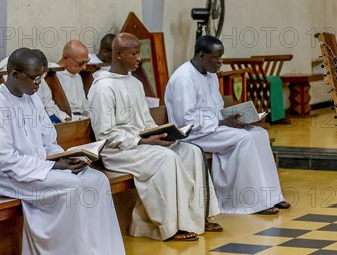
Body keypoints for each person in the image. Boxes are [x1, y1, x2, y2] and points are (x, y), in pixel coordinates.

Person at [0, 48, 126, 255]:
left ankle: (98, 254)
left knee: (97, 180)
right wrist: (53, 166)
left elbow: (49, 141)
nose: (39, 84)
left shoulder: (33, 98)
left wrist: (65, 158)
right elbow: (7, 160)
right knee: (75, 187)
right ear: (14, 74)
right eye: (34, 78)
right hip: (11, 176)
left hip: (42, 167)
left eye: (42, 77)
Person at [88, 33, 220, 241]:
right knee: (166, 158)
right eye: (134, 53)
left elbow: (145, 121)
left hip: (142, 143)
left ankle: (196, 218)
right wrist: (143, 140)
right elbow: (104, 133)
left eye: (138, 53)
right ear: (119, 54)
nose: (139, 58)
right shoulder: (103, 87)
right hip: (118, 151)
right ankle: (171, 226)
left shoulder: (135, 83)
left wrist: (161, 133)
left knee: (191, 151)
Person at [165, 35, 290, 216]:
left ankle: (271, 195)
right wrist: (222, 122)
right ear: (201, 55)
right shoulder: (183, 78)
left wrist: (238, 118)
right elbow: (186, 120)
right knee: (245, 139)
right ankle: (250, 202)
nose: (220, 62)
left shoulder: (210, 75)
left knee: (259, 133)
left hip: (212, 128)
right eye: (216, 57)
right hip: (193, 134)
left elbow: (216, 107)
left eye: (221, 56)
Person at [0, 55, 70, 122]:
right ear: (15, 75)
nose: (38, 82)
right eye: (34, 77)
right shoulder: (1, 99)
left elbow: (49, 104)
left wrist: (62, 117)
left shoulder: (34, 97)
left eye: (40, 76)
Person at [54, 40, 90, 120]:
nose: (84, 67)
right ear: (65, 57)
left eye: (86, 62)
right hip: (67, 120)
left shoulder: (77, 76)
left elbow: (85, 104)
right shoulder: (53, 77)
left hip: (83, 119)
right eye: (80, 63)